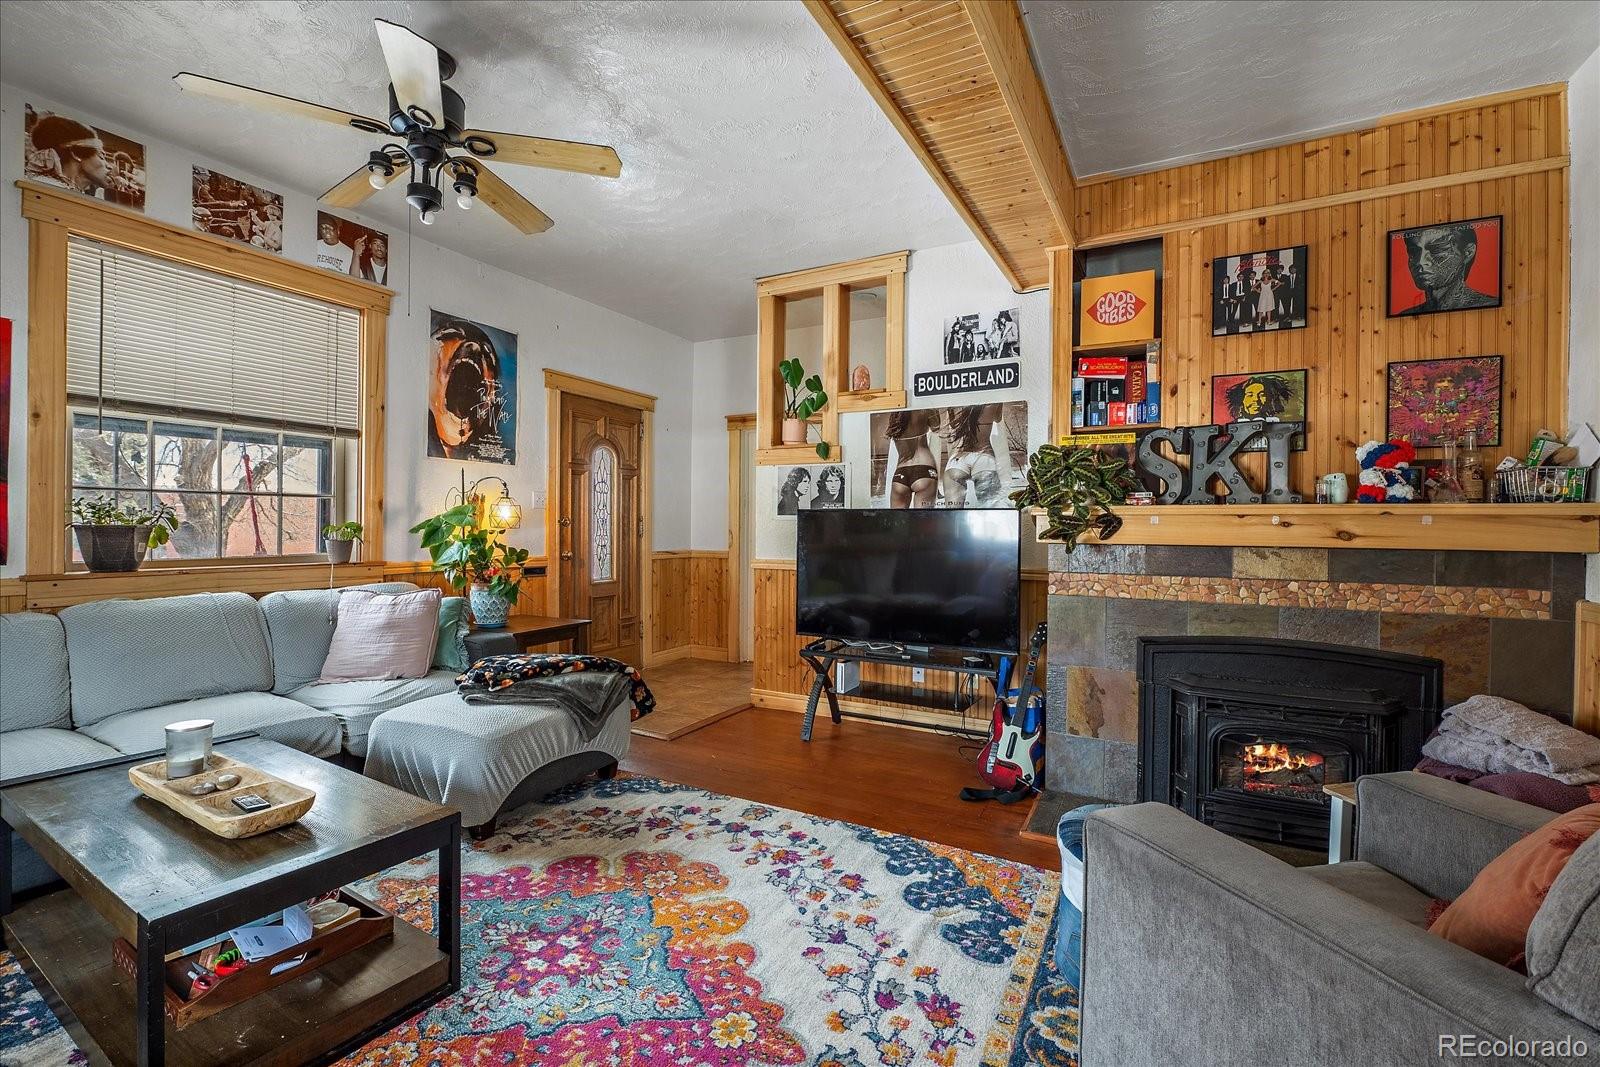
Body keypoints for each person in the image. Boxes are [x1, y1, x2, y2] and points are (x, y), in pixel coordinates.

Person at [1397, 223, 1498, 313]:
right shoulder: (1406, 315)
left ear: (1468, 253)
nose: (1420, 262)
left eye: (1437, 249)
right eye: (1413, 252)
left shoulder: (1490, 307)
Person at [28, 114, 110, 199]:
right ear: (76, 153)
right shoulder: (47, 188)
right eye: (101, 156)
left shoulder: (76, 193)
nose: (109, 166)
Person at [940, 403, 1004, 506]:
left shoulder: (955, 403)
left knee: (952, 516)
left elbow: (952, 425)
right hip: (984, 457)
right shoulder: (993, 400)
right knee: (990, 515)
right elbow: (997, 418)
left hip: (958, 459)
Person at [884, 409, 938, 508]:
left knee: (897, 522)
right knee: (923, 521)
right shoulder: (925, 409)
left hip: (901, 471)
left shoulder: (896, 415)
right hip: (925, 467)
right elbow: (936, 427)